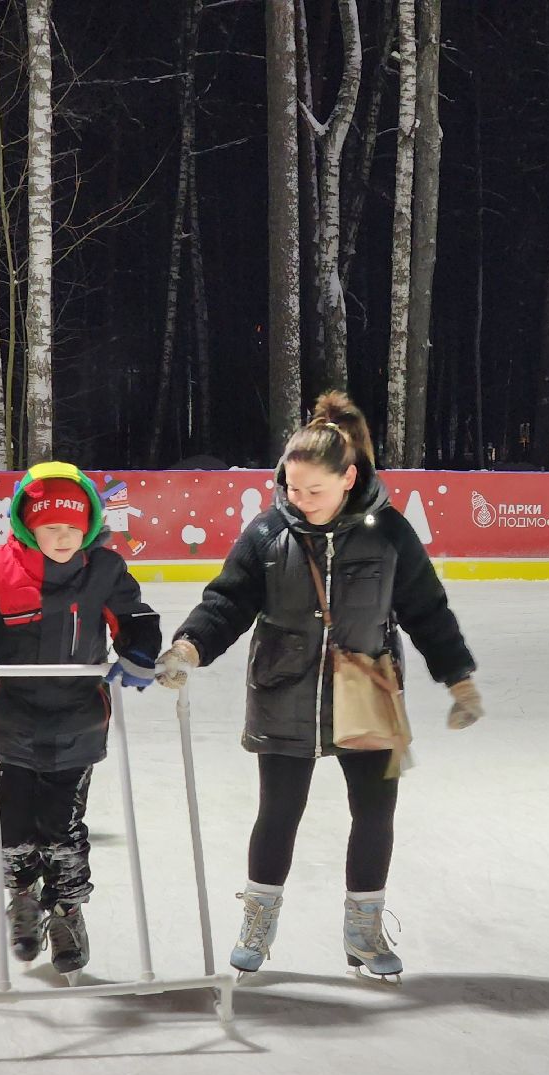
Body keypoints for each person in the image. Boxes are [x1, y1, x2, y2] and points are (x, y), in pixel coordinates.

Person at [156, 391, 484, 980]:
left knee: (375, 811)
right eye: (290, 488)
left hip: (368, 688)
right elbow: (227, 601)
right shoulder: (266, 534)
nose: (299, 501)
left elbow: (427, 609)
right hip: (285, 686)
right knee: (278, 811)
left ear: (348, 476)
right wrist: (190, 645)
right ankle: (258, 920)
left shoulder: (388, 533)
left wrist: (459, 679)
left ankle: (364, 929)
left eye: (314, 490)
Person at [0, 463, 162, 978]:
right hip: (10, 720)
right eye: (50, 527)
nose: (62, 537)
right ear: (27, 526)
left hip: (78, 721)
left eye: (73, 528)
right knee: (13, 826)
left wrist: (141, 653)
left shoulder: (104, 569)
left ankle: (68, 910)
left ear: (90, 527)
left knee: (62, 827)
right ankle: (24, 901)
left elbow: (137, 620)